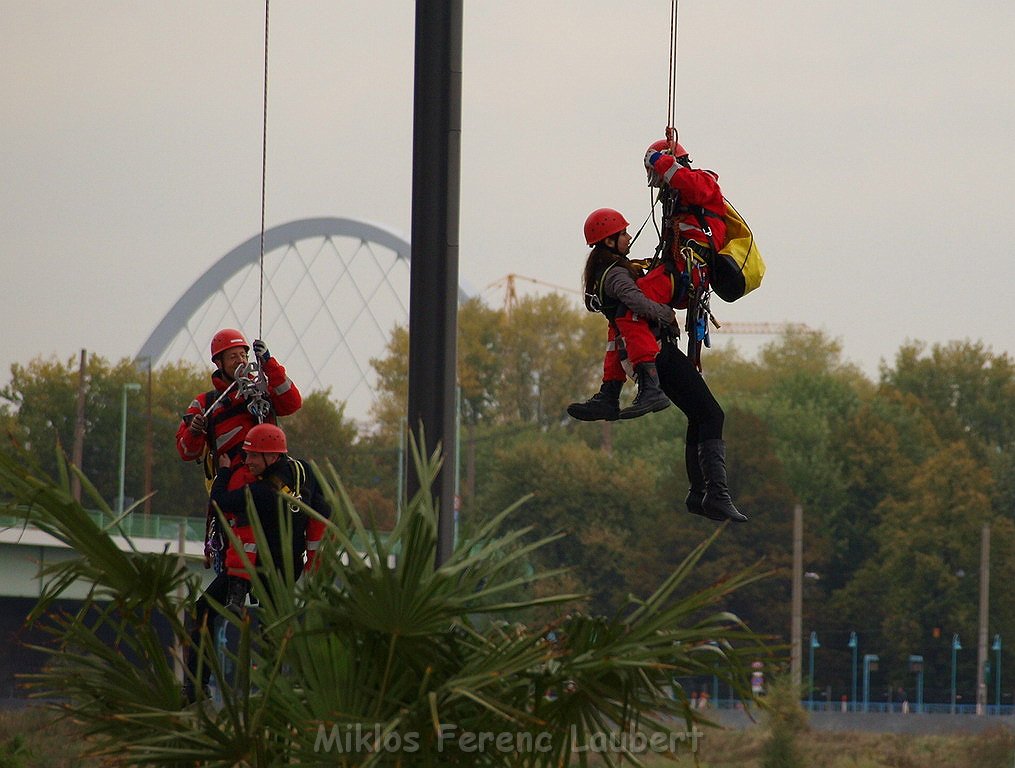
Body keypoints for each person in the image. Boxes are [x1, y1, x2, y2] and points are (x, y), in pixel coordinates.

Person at [567, 141, 746, 523]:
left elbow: (695, 185)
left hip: (679, 281)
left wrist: (659, 162)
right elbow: (635, 304)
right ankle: (709, 492)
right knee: (708, 414)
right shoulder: (617, 271)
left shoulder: (700, 185)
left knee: (704, 415)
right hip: (659, 344)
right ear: (611, 240)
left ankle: (703, 493)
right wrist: (662, 313)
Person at [184, 423, 330, 702]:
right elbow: (324, 509)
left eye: (253, 456)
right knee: (274, 629)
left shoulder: (263, 493)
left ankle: (194, 686)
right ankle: (276, 693)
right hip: (288, 568)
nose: (247, 461)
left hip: (255, 569)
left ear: (272, 458)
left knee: (204, 609)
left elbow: (221, 502)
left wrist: (225, 471)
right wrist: (312, 557)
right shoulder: (302, 471)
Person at [176, 328, 303, 569]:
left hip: (272, 474)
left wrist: (269, 363)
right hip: (234, 477)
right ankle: (236, 579)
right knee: (237, 518)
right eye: (233, 357)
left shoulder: (262, 391)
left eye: (243, 355)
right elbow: (186, 451)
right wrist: (194, 430)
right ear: (219, 362)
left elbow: (292, 402)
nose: (241, 361)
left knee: (306, 484)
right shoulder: (206, 403)